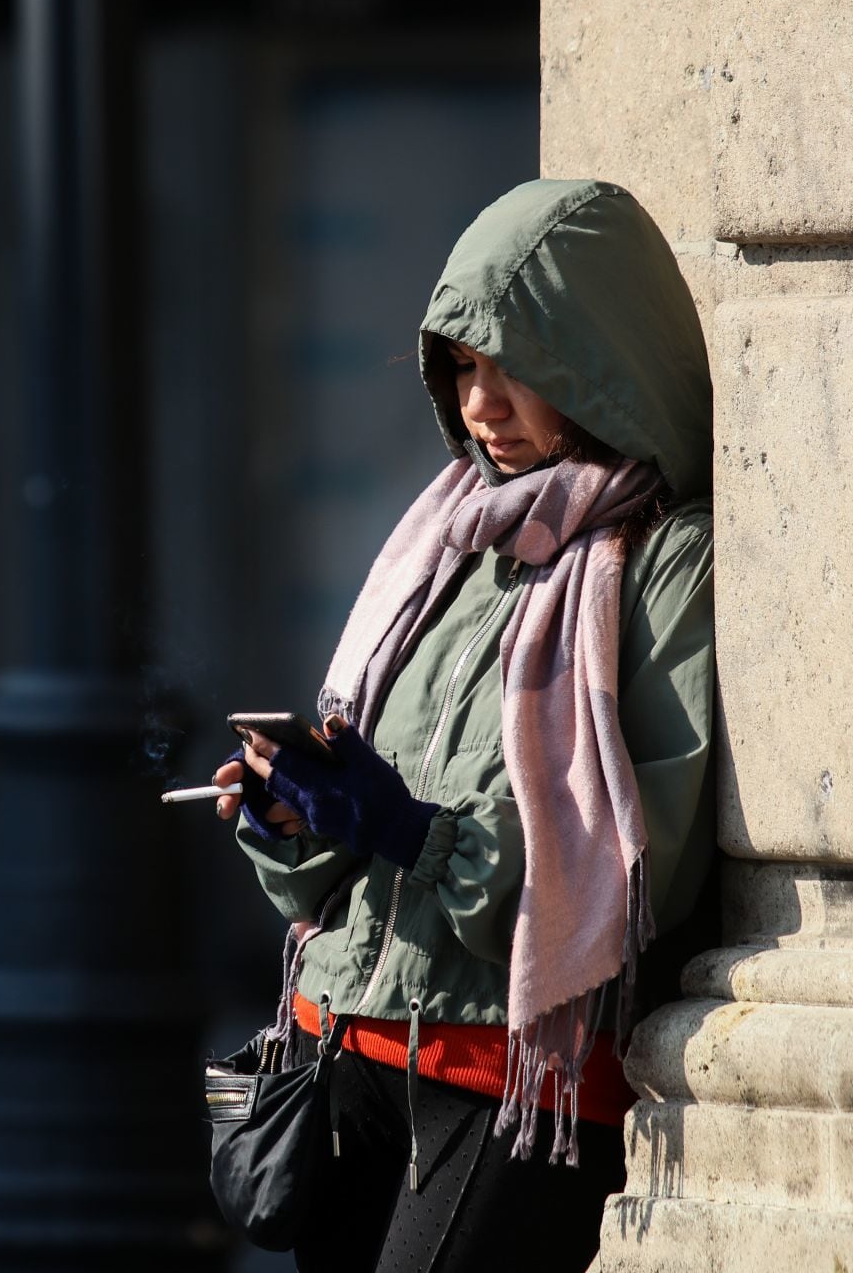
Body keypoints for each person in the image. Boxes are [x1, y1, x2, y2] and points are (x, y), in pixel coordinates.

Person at [213, 179, 715, 1273]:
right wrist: (299, 817)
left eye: (514, 364)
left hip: (510, 1078)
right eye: (461, 366)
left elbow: (644, 866)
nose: (480, 403)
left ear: (600, 355)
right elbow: (365, 816)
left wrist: (419, 833)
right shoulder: (444, 536)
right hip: (343, 1046)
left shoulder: (664, 562)